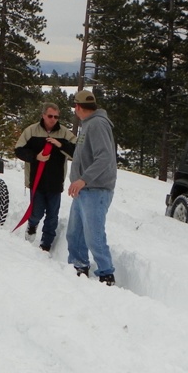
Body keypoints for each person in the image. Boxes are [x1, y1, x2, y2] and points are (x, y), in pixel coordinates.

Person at [66, 90, 117, 286]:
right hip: (84, 190)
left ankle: (106, 275)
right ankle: (79, 267)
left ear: (77, 107)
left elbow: (104, 157)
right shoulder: (88, 124)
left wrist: (83, 180)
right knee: (75, 233)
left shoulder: (97, 124)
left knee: (94, 235)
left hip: (96, 189)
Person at [14, 102, 76, 252]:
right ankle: (32, 225)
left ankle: (46, 245)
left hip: (55, 182)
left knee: (52, 216)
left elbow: (77, 152)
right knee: (37, 212)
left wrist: (60, 144)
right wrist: (36, 157)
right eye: (50, 116)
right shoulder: (31, 131)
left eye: (56, 117)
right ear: (43, 115)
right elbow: (18, 150)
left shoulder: (65, 133)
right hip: (36, 181)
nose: (53, 119)